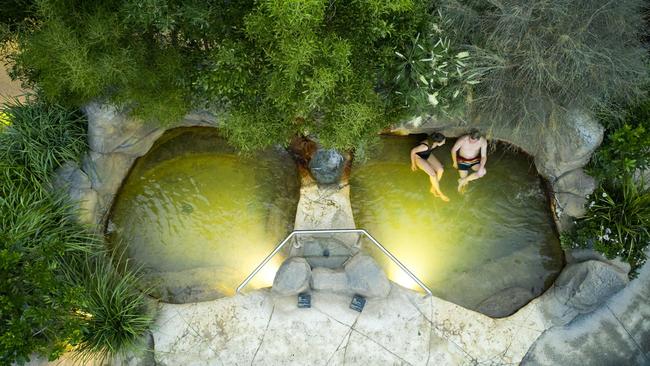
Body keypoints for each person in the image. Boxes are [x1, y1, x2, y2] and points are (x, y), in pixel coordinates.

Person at [410, 132, 449, 202]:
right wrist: (413, 164)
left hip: (427, 154)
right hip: (418, 157)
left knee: (440, 170)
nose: (444, 143)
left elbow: (429, 150)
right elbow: (413, 151)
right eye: (443, 142)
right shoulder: (424, 146)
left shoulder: (434, 143)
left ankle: (433, 188)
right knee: (433, 175)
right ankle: (440, 193)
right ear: (438, 142)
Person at [451, 129, 487, 193]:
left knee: (483, 172)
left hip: (474, 160)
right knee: (464, 180)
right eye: (470, 139)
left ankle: (462, 181)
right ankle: (463, 184)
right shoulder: (463, 139)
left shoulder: (483, 141)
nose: (471, 142)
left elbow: (483, 156)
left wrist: (481, 168)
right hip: (462, 160)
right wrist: (455, 162)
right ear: (469, 135)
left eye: (474, 141)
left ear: (478, 139)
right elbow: (453, 150)